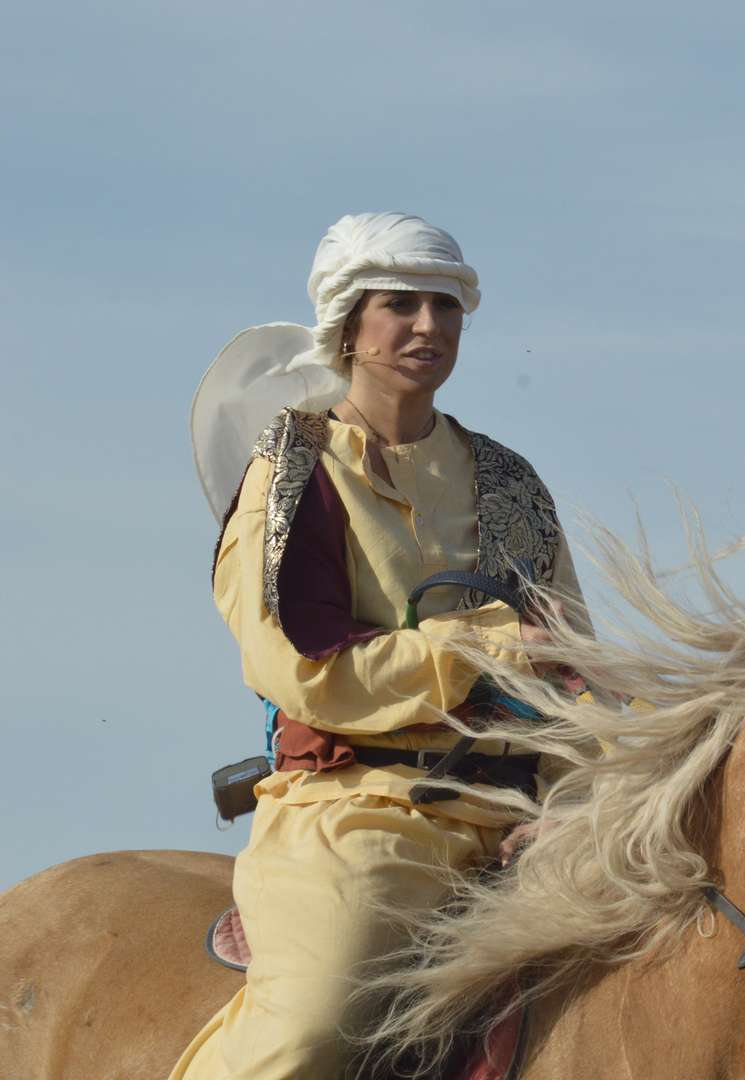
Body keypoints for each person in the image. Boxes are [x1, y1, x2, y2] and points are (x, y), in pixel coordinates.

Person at [173, 212, 581, 1078]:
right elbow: (307, 672)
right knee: (310, 1031)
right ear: (348, 325)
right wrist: (483, 645)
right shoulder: (295, 470)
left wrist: (580, 798)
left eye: (446, 305)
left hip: (522, 824)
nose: (429, 325)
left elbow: (575, 668)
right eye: (401, 304)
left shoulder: (512, 483)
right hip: (360, 816)